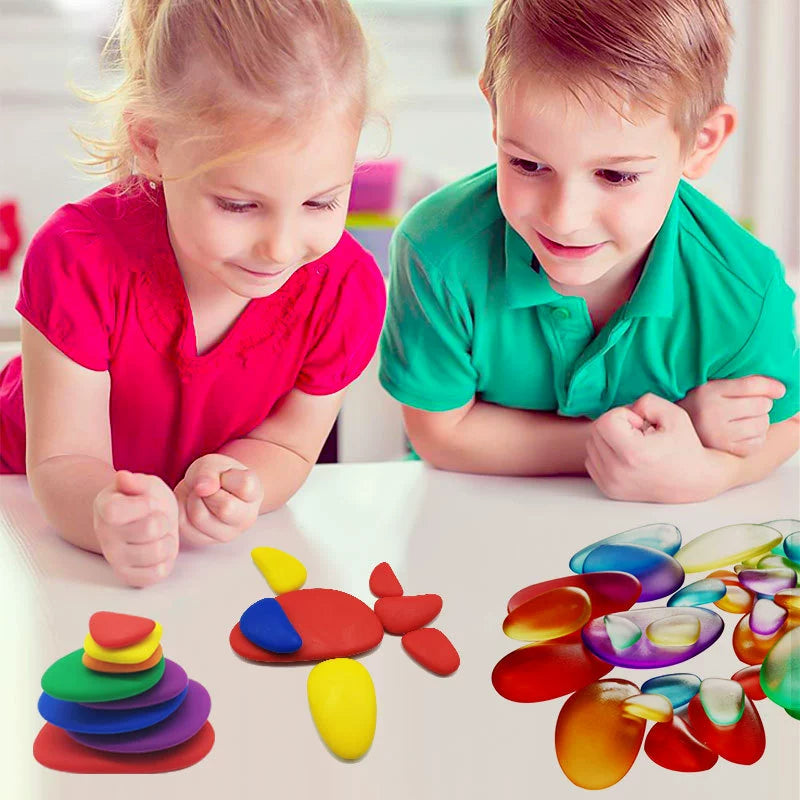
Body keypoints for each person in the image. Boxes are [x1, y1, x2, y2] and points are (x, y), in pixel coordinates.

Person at [0, 0, 386, 586]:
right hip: (25, 506)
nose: (280, 248)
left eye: (321, 201)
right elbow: (60, 462)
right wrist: (104, 512)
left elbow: (289, 444)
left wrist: (235, 483)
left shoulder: (345, 291)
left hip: (189, 562)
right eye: (238, 204)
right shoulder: (79, 257)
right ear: (152, 144)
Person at [379, 0, 798, 503]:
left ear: (701, 142)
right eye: (529, 165)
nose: (564, 217)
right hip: (464, 519)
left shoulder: (743, 288)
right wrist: (676, 430)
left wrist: (709, 473)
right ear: (494, 109)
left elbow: (786, 423)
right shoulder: (436, 249)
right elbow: (440, 436)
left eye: (616, 175)